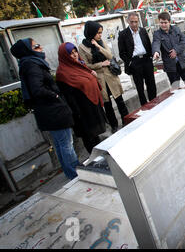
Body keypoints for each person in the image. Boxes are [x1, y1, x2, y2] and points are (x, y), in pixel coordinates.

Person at [10, 38, 79, 180]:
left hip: (48, 112)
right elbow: (37, 89)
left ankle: (70, 172)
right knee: (66, 144)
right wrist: (56, 95)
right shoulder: (32, 65)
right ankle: (76, 172)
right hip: (53, 112)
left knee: (60, 144)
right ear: (28, 51)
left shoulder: (29, 64)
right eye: (36, 46)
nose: (41, 47)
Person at [56, 42, 106, 154]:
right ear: (64, 56)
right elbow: (69, 97)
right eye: (71, 53)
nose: (74, 55)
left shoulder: (80, 65)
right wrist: (77, 114)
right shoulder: (63, 73)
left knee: (95, 137)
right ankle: (96, 161)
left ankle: (101, 157)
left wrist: (93, 76)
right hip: (81, 112)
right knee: (88, 138)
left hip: (91, 107)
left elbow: (90, 80)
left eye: (75, 52)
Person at [78, 21, 129, 132]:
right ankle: (114, 125)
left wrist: (98, 46)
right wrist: (101, 64)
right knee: (107, 104)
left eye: (101, 33)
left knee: (119, 100)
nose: (100, 35)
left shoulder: (101, 42)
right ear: (91, 32)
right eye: (98, 33)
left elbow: (110, 55)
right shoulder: (82, 47)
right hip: (99, 78)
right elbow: (86, 65)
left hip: (111, 76)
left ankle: (127, 120)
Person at [118, 12, 157, 106]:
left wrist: (151, 57)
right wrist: (130, 62)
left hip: (146, 60)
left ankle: (154, 103)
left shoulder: (143, 31)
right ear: (128, 21)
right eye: (132, 22)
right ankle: (145, 106)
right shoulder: (123, 34)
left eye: (136, 22)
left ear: (138, 21)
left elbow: (148, 44)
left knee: (151, 83)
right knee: (140, 87)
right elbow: (121, 53)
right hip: (135, 62)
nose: (134, 24)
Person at [152, 11, 185, 89]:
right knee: (175, 88)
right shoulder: (157, 34)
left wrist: (176, 50)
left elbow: (184, 41)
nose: (163, 25)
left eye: (165, 22)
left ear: (169, 22)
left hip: (183, 62)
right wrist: (156, 52)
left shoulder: (176, 29)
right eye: (161, 23)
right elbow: (156, 43)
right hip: (170, 66)